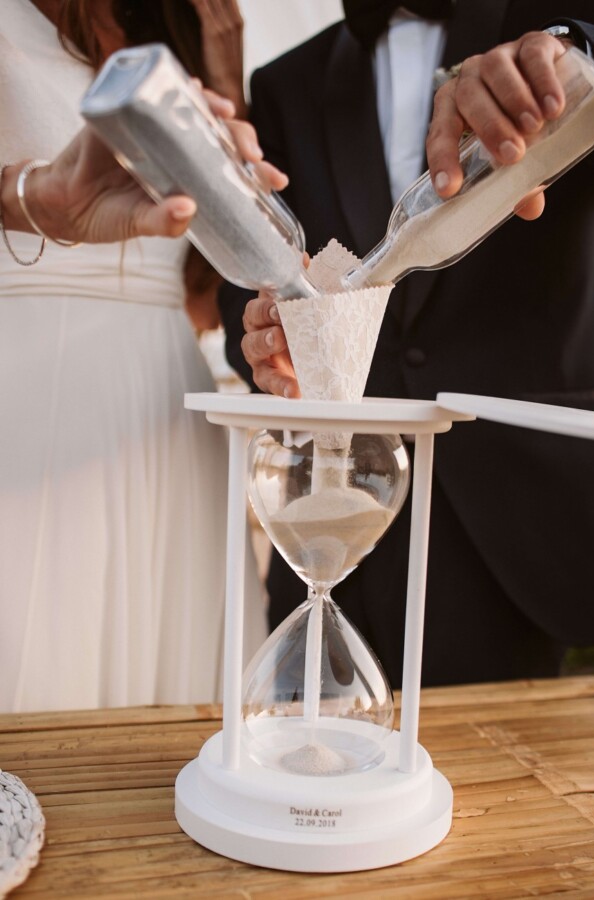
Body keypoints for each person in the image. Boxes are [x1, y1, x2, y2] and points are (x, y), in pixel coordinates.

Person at [219, 1, 594, 688]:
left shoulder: (554, 26)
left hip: (521, 524)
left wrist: (573, 49)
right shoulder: (286, 83)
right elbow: (247, 284)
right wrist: (269, 341)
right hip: (337, 521)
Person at [0, 0, 285, 712]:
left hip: (169, 393)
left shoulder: (175, 34)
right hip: (30, 378)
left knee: (185, 713)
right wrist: (32, 195)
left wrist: (224, 75)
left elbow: (200, 292)